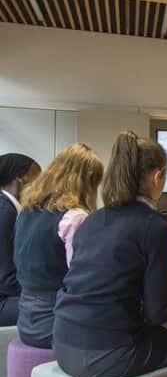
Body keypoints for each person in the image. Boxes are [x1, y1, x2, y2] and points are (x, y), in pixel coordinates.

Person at [53, 130, 167, 377]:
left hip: (63, 344)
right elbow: (157, 313)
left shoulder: (92, 219)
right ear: (157, 177)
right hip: (106, 354)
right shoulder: (156, 226)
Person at [14, 143, 103, 348]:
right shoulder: (75, 218)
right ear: (87, 181)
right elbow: (81, 281)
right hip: (56, 325)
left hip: (27, 321)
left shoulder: (27, 211)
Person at [0, 153, 40, 325]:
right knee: (52, 311)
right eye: (38, 180)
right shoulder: (4, 211)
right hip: (3, 300)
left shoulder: (8, 208)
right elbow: (6, 279)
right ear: (20, 180)